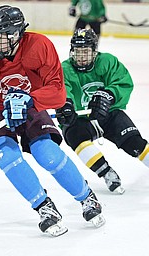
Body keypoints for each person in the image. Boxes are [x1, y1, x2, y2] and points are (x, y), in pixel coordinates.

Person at [0, 5, 105, 237]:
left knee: (46, 153)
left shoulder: (39, 46)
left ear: (16, 34)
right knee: (6, 155)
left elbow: (58, 91)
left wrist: (30, 99)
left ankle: (87, 198)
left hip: (31, 103)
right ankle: (44, 207)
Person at [56, 28, 149, 194]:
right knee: (72, 134)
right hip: (81, 119)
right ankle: (106, 172)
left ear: (95, 52)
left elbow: (123, 82)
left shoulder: (107, 61)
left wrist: (108, 95)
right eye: (78, 52)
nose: (81, 57)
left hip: (109, 114)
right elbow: (62, 90)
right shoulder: (65, 69)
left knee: (134, 143)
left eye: (86, 52)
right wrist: (66, 104)